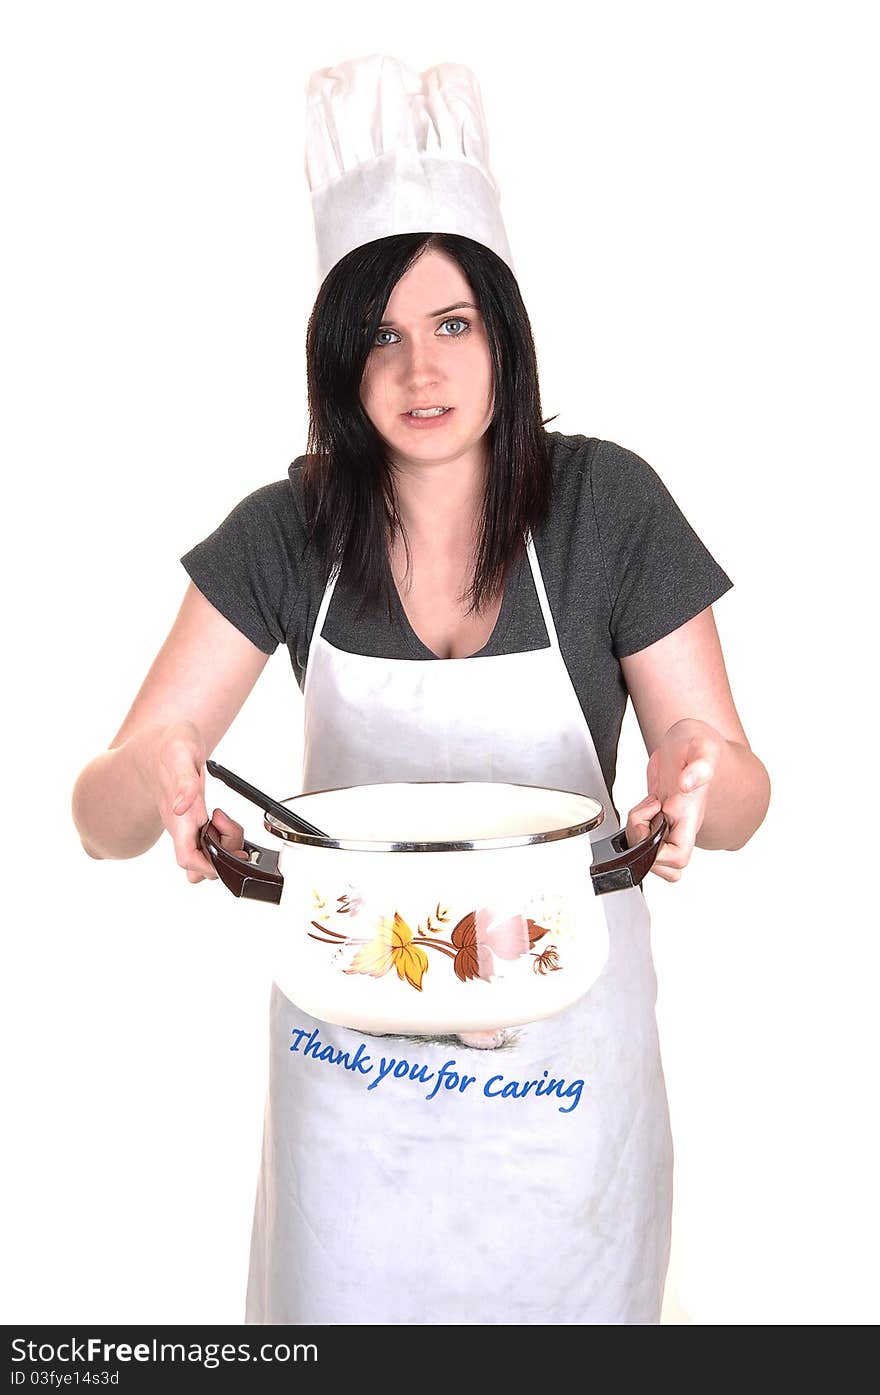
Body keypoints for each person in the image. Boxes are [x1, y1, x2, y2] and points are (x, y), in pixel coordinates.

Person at [71, 57, 770, 1325]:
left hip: (567, 1108)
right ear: (339, 364)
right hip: (351, 1115)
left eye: (451, 324)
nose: (418, 370)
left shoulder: (606, 507)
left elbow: (734, 783)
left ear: (503, 334)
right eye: (378, 337)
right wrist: (155, 775)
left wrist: (695, 784)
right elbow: (100, 814)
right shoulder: (288, 531)